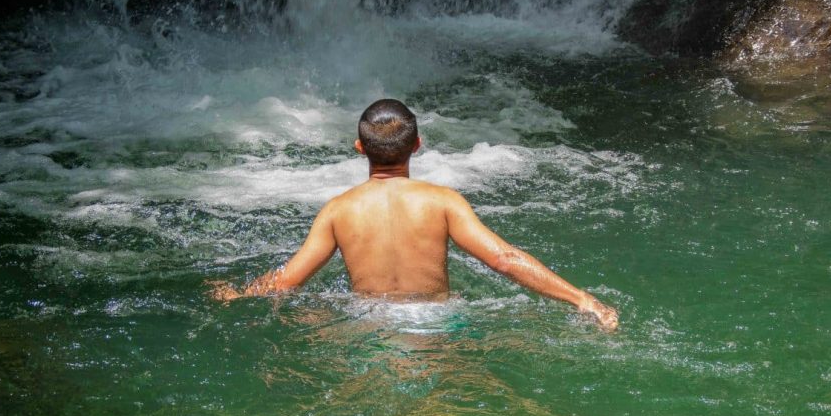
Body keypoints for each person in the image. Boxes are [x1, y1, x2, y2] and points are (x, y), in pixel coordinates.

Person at [210, 99, 619, 331]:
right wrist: (580, 298)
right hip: (438, 324)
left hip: (365, 324)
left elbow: (287, 281)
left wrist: (237, 293)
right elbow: (504, 260)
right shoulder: (443, 202)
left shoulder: (337, 211)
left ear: (358, 148)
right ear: (418, 145)